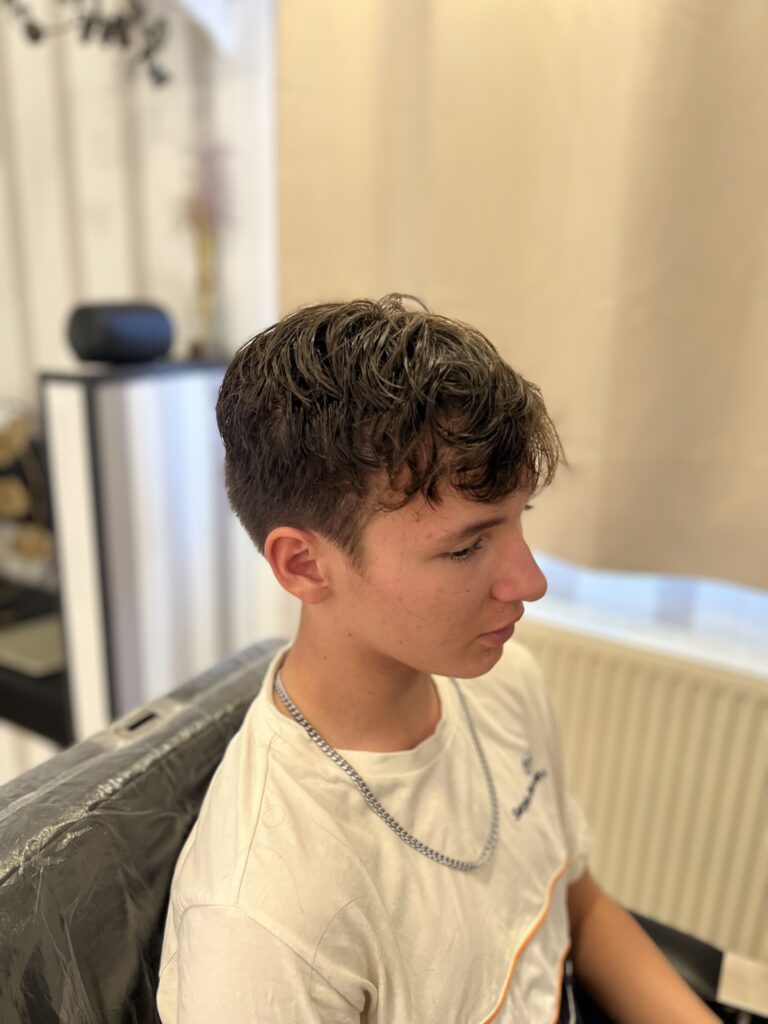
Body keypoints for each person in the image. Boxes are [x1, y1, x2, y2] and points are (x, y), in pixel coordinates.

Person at [156, 296, 717, 1023]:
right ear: (304, 566)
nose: (531, 583)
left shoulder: (504, 681)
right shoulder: (261, 921)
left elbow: (575, 902)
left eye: (518, 521)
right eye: (465, 547)